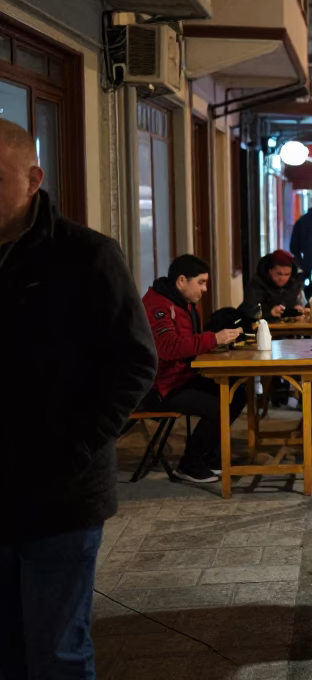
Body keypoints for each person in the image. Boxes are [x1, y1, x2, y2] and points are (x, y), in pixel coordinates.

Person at [0, 119, 158, 679]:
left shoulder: (85, 256)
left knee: (57, 652)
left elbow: (136, 361)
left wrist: (76, 448)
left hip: (61, 493)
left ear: (33, 179)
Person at [141, 255, 246, 482]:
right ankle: (189, 464)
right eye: (200, 282)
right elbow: (168, 348)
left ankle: (209, 457)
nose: (205, 289)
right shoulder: (158, 306)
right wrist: (213, 339)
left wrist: (217, 343)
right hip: (159, 388)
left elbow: (188, 343)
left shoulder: (182, 303)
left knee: (236, 393)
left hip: (180, 377)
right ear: (181, 281)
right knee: (219, 406)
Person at [242, 249, 306, 321]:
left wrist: (298, 310)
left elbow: (301, 306)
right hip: (262, 329)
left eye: (287, 274)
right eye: (279, 274)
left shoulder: (294, 284)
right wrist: (270, 313)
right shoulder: (256, 284)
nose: (282, 278)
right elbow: (248, 312)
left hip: (288, 328)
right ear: (270, 271)